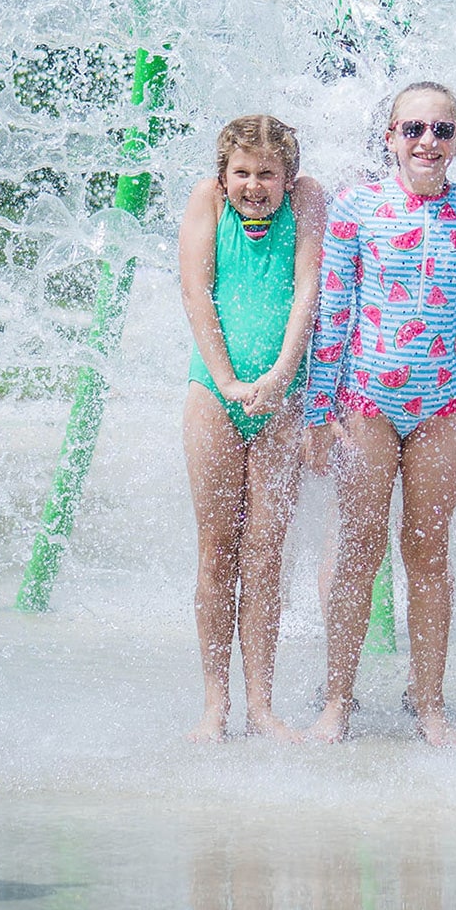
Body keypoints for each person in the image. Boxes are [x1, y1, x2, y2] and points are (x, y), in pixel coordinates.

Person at [305, 82, 456, 746]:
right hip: (368, 402)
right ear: (391, 137)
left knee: (427, 554)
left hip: (445, 406)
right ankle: (338, 699)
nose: (428, 141)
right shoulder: (355, 207)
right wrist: (317, 409)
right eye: (414, 128)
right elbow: (333, 310)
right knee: (358, 552)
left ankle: (428, 703)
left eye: (443, 130)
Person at [180, 115, 326, 742]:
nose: (254, 185)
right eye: (242, 172)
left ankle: (262, 706)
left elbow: (308, 291)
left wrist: (280, 376)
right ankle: (215, 704)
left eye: (267, 173)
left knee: (266, 556)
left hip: (283, 395)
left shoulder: (310, 200)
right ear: (224, 173)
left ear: (287, 175)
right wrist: (232, 381)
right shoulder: (207, 199)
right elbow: (196, 292)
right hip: (215, 393)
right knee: (218, 551)